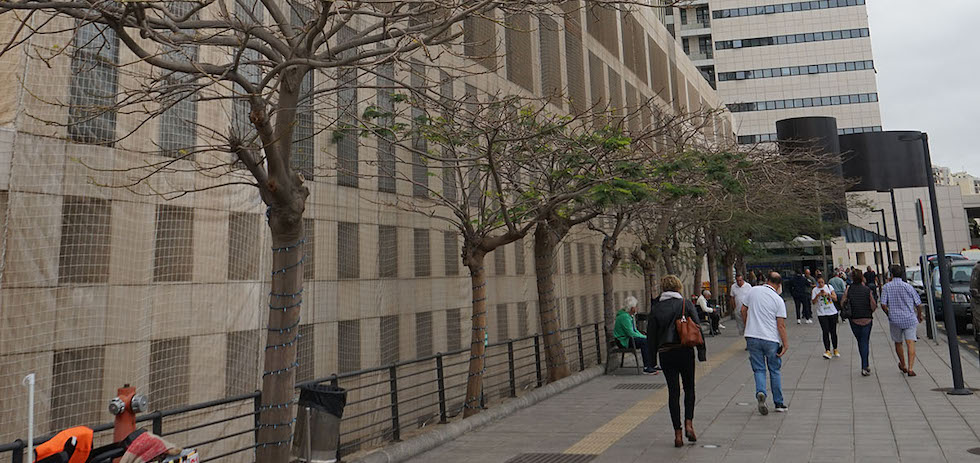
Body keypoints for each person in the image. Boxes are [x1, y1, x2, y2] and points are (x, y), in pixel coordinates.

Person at [648, 275, 706, 447]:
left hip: (666, 353)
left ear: (663, 288)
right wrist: (701, 352)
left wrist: (651, 360)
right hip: (685, 351)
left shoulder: (656, 308)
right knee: (689, 388)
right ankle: (689, 424)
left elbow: (651, 336)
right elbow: (697, 327)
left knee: (673, 392)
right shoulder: (685, 304)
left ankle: (678, 434)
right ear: (679, 287)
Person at [742, 271, 789, 415]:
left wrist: (747, 325)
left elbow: (743, 309)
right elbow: (781, 325)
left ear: (767, 280)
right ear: (779, 285)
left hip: (752, 336)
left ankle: (761, 392)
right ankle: (778, 402)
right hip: (770, 339)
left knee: (759, 369)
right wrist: (785, 344)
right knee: (774, 370)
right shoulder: (778, 300)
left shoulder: (753, 291)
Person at [880, 265, 924, 376]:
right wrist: (919, 315)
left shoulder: (886, 287)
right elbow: (918, 303)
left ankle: (903, 364)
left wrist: (888, 313)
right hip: (909, 318)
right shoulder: (908, 287)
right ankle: (910, 368)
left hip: (895, 319)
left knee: (898, 342)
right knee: (910, 342)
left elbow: (883, 304)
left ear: (891, 275)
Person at [842, 271, 877, 376]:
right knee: (865, 341)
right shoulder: (867, 290)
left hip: (854, 319)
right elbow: (873, 305)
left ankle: (865, 364)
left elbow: (842, 302)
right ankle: (865, 366)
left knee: (860, 341)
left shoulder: (849, 289)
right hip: (867, 318)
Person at [613, 295, 657, 374]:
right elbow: (631, 333)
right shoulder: (624, 317)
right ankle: (647, 367)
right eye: (636, 307)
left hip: (628, 339)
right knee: (644, 342)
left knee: (649, 340)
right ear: (632, 308)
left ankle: (652, 364)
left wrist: (644, 336)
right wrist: (644, 337)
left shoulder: (629, 316)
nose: (637, 308)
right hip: (624, 341)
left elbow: (635, 330)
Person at [811, 276, 839, 359]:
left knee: (833, 331)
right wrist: (818, 295)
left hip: (832, 312)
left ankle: (835, 348)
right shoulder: (815, 290)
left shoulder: (829, 287)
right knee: (825, 331)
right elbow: (813, 302)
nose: (820, 284)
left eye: (822, 282)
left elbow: (835, 298)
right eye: (819, 283)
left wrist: (828, 294)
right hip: (822, 313)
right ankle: (827, 350)